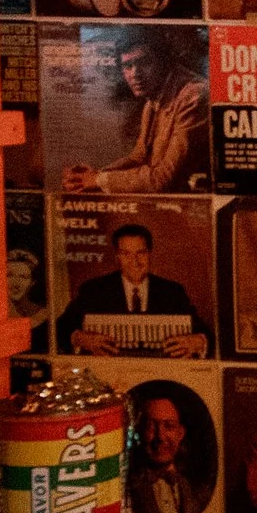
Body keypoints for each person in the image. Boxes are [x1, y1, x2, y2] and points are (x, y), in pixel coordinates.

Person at [61, 32, 208, 194]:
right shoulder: (153, 100)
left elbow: (162, 180)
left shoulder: (193, 96)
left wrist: (97, 180)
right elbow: (139, 158)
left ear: (163, 62)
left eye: (144, 63)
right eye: (127, 66)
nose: (135, 73)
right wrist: (95, 175)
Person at [55, 223, 210, 357]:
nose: (134, 261)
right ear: (117, 256)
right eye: (126, 254)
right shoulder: (94, 290)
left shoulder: (172, 292)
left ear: (150, 254)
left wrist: (199, 341)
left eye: (140, 253)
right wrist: (79, 338)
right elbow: (57, 331)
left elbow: (206, 333)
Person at [129, 391, 213, 513]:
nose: (160, 437)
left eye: (169, 426)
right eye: (150, 426)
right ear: (138, 432)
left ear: (180, 433)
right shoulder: (127, 489)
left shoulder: (197, 492)